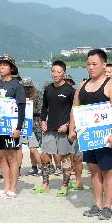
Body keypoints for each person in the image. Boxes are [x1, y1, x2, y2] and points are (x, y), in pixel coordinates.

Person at [71, 48, 112, 220]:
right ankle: (97, 204)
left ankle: (107, 206)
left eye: (94, 64)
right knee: (93, 171)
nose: (91, 67)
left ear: (104, 65)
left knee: (107, 170)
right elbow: (75, 108)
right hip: (89, 137)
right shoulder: (82, 86)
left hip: (106, 136)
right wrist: (72, 128)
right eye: (88, 64)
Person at [0, 54, 26, 199]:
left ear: (11, 67)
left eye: (5, 64)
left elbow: (21, 108)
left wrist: (18, 128)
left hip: (10, 127)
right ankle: (6, 186)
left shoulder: (17, 86)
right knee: (1, 156)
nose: (1, 67)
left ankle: (13, 187)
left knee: (11, 156)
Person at [39, 61, 76, 196]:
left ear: (64, 73)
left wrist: (68, 125)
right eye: (53, 71)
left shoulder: (70, 90)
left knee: (65, 158)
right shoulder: (48, 89)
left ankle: (65, 184)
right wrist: (43, 121)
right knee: (44, 156)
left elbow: (75, 110)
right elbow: (44, 107)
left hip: (64, 130)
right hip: (49, 128)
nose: (55, 74)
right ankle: (45, 183)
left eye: (58, 72)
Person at [64, 74, 86, 190]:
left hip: (96, 130)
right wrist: (71, 129)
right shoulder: (77, 97)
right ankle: (78, 180)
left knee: (97, 161)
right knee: (77, 157)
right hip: (80, 129)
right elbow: (74, 110)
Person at [21, 77, 44, 177]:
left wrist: (28, 107)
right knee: (31, 148)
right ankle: (34, 167)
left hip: (37, 125)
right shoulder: (24, 95)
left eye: (27, 88)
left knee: (34, 148)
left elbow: (40, 110)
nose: (26, 90)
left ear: (32, 87)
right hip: (27, 125)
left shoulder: (39, 95)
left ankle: (41, 168)